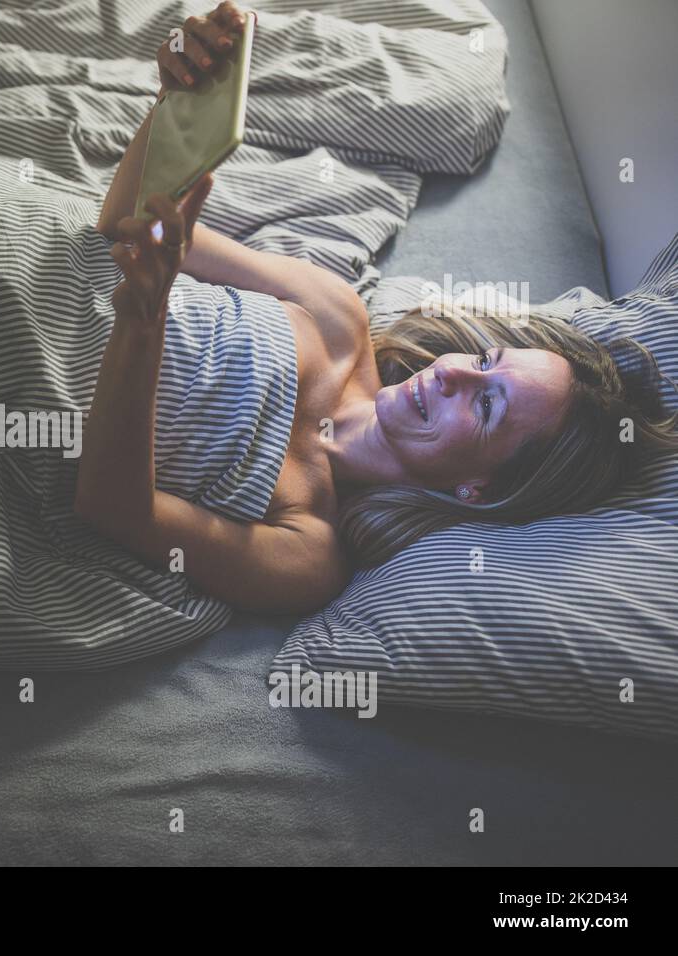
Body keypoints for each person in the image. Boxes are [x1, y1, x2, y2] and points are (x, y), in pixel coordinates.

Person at [74, 1, 678, 609]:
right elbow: (122, 228)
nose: (452, 372)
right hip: (29, 241)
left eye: (487, 402)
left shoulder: (310, 552)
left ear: (477, 489)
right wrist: (173, 104)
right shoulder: (338, 316)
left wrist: (142, 322)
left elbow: (114, 508)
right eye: (489, 360)